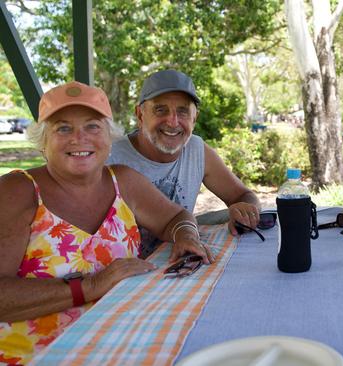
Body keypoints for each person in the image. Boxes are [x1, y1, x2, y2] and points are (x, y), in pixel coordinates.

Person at [0, 81, 214, 364]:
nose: (80, 138)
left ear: (108, 137)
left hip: (122, 345)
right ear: (43, 141)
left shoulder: (122, 181)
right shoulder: (17, 191)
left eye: (92, 126)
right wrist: (90, 286)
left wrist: (186, 234)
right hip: (38, 355)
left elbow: (175, 217)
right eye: (63, 128)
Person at [107, 70, 261, 258]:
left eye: (183, 111)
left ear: (194, 118)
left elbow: (243, 195)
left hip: (177, 261)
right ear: (140, 115)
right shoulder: (109, 158)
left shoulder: (196, 150)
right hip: (125, 276)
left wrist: (246, 212)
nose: (173, 122)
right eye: (160, 110)